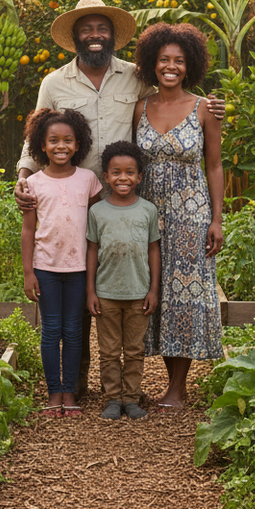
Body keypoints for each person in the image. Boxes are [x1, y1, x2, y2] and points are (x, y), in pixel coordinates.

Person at [15, 0, 224, 400]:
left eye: (102, 28)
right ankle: (74, 386)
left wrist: (216, 107)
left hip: (126, 199)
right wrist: (24, 178)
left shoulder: (135, 78)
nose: (95, 36)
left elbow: (177, 91)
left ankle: (132, 384)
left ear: (113, 35)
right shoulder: (54, 83)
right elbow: (34, 138)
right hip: (70, 200)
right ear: (75, 36)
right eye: (87, 29)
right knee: (79, 286)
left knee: (131, 285)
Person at [132, 22, 224, 408]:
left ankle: (177, 387)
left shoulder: (205, 108)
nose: (171, 67)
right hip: (150, 212)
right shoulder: (140, 107)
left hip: (191, 213)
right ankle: (148, 380)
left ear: (190, 66)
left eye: (179, 61)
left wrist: (217, 220)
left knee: (185, 293)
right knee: (155, 291)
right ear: (152, 64)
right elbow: (129, 161)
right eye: (164, 60)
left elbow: (216, 166)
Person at [20, 108, 102, 418]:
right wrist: (29, 273)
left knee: (74, 332)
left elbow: (95, 228)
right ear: (42, 144)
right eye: (53, 140)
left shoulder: (89, 180)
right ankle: (54, 393)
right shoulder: (34, 184)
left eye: (68, 140)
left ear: (78, 144)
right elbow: (28, 231)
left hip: (79, 269)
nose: (61, 146)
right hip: (46, 268)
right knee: (51, 331)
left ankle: (71, 392)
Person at [86, 141, 161, 421]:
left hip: (138, 293)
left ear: (139, 177)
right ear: (106, 176)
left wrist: (153, 289)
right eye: (116, 172)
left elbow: (154, 249)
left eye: (130, 172)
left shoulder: (148, 210)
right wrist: (91, 290)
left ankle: (131, 398)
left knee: (134, 350)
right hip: (106, 293)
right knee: (108, 351)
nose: (123, 178)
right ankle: (112, 399)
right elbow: (92, 250)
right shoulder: (98, 212)